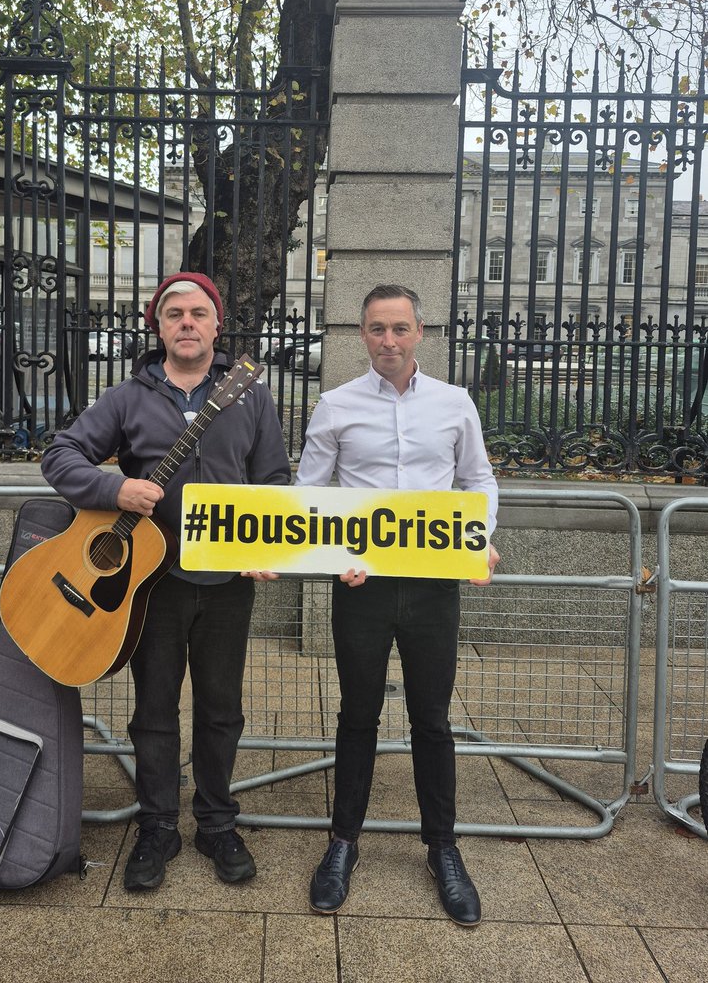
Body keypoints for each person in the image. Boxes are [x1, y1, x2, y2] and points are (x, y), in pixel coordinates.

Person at [40, 272, 291, 892]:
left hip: (227, 581)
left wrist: (265, 545)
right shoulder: (127, 397)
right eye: (174, 314)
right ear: (158, 326)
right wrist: (114, 489)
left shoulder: (249, 394)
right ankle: (157, 825)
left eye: (198, 313)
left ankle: (216, 822)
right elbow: (60, 455)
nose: (187, 323)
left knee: (221, 708)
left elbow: (274, 481)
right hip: (149, 583)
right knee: (153, 709)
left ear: (216, 324)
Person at [295, 284, 499, 926]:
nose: (389, 340)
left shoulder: (455, 403)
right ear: (363, 334)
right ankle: (343, 843)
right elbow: (308, 493)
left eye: (400, 328)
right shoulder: (336, 405)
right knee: (357, 715)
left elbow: (478, 479)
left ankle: (443, 848)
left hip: (434, 585)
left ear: (419, 333)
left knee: (432, 720)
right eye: (378, 329)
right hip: (363, 587)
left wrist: (480, 539)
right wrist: (333, 555)